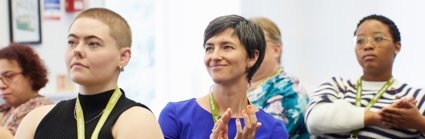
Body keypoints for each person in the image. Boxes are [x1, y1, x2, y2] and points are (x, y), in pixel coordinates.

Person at [14, 8, 163, 139]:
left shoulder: (135, 120)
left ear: (123, 57)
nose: (77, 50)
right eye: (72, 42)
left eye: (93, 43)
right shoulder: (36, 119)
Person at [158, 14, 288, 139]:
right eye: (209, 48)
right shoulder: (175, 116)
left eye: (227, 47)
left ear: (252, 57)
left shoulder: (272, 129)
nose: (214, 56)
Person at [305, 14, 425, 138]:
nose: (367, 46)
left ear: (397, 46)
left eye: (378, 38)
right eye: (360, 41)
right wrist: (374, 117)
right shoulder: (337, 85)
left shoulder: (416, 97)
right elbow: (313, 120)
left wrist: (419, 123)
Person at [248, 17, 310, 139]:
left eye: (256, 43)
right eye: (245, 44)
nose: (249, 50)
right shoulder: (235, 86)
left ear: (276, 50)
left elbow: (266, 135)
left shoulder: (290, 89)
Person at [0, 44, 54, 136]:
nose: (1, 85)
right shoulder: (6, 109)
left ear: (30, 76)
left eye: (9, 76)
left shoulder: (44, 111)